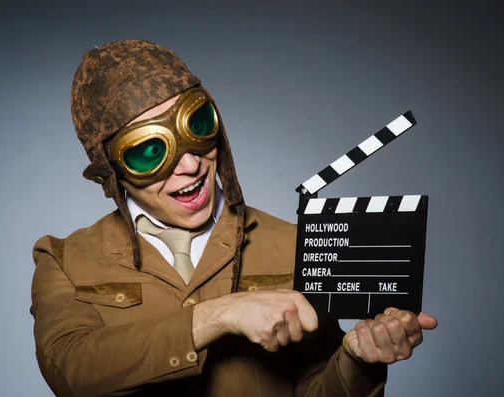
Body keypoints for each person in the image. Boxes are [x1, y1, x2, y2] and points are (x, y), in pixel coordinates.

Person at [30, 40, 437, 397]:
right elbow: (72, 372)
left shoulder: (297, 247)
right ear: (111, 173)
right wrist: (220, 315)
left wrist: (356, 360)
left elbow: (316, 387)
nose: (190, 163)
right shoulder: (65, 260)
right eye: (150, 151)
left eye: (197, 125)